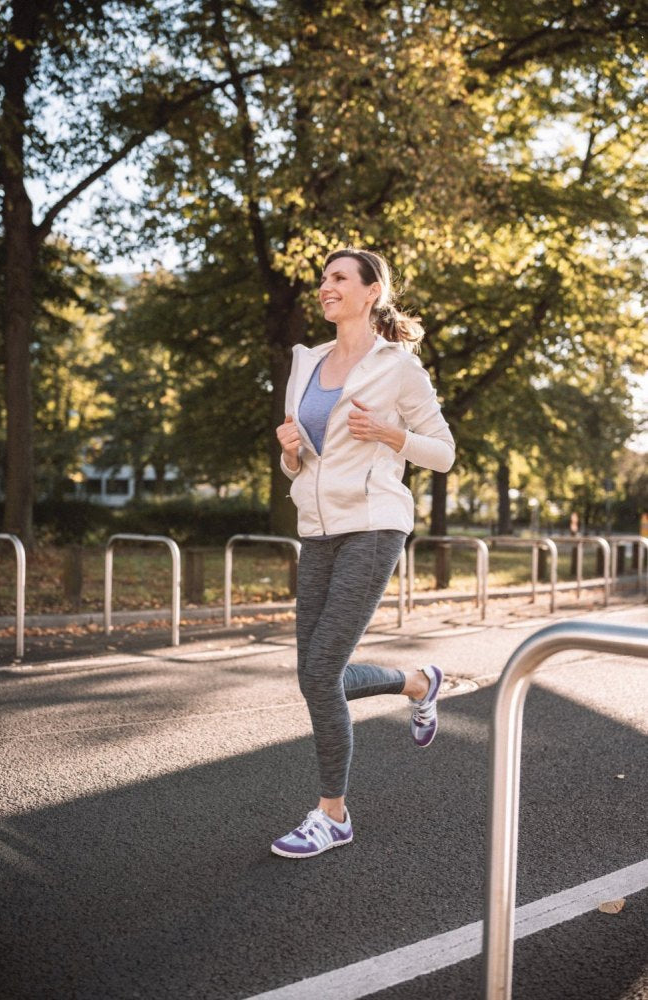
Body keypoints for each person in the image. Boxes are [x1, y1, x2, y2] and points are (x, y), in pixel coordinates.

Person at [272, 247, 455, 859]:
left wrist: (390, 434)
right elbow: (300, 462)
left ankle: (333, 815)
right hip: (318, 527)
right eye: (323, 278)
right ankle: (418, 683)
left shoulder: (398, 367)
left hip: (374, 525)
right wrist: (290, 451)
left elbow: (444, 452)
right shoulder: (306, 362)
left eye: (339, 278)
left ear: (372, 291)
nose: (326, 287)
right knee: (314, 675)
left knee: (321, 671)